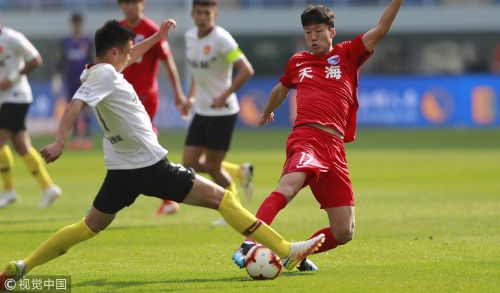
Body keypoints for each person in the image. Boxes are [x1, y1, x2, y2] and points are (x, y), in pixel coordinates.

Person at [0, 19, 325, 287]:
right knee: (224, 200)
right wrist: (60, 141)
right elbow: (74, 106)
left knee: (88, 226)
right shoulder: (105, 75)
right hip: (150, 167)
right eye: (126, 52)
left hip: (121, 171)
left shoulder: (98, 70)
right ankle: (286, 249)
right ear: (114, 52)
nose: (131, 56)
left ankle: (21, 267)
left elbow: (127, 58)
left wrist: (157, 36)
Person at [232, 0, 420, 271]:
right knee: (290, 185)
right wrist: (268, 110)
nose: (313, 37)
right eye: (308, 32)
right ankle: (250, 242)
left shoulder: (347, 54)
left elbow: (381, 29)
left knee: (345, 231)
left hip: (334, 146)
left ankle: (294, 254)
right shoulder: (298, 61)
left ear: (331, 31)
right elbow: (282, 88)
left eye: (319, 30)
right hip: (306, 137)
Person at [163, 0, 254, 225]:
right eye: (199, 13)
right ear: (193, 13)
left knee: (213, 166)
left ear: (215, 14)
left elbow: (246, 70)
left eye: (207, 13)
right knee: (189, 163)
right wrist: (191, 98)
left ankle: (233, 209)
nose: (202, 17)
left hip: (223, 112)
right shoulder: (190, 36)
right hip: (202, 111)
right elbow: (197, 73)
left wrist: (224, 94)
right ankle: (240, 174)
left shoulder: (223, 39)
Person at [117, 0, 186, 215]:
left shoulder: (151, 29)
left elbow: (168, 62)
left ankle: (168, 196)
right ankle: (168, 195)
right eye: (126, 2)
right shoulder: (118, 29)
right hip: (123, 96)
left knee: (144, 140)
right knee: (131, 143)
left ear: (142, 4)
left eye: (134, 2)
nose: (130, 6)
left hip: (146, 95)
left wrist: (178, 92)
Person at [0, 16, 62, 209]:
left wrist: (12, 77)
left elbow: (35, 59)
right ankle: (48, 187)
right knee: (22, 147)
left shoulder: (12, 38)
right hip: (5, 99)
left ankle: (9, 190)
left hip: (17, 96)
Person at [55, 12, 94, 150]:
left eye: (79, 23)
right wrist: (57, 77)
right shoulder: (66, 42)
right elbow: (61, 61)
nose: (77, 25)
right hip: (71, 80)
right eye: (75, 23)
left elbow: (92, 60)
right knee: (73, 108)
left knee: (86, 109)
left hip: (85, 80)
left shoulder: (88, 41)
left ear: (81, 24)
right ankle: (76, 137)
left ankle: (87, 136)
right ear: (72, 24)